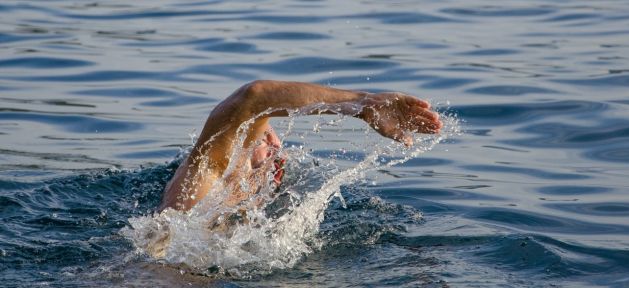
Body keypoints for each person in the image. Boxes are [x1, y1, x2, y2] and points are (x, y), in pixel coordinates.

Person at [158, 80, 441, 212]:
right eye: (260, 132)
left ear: (272, 174)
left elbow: (253, 101)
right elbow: (255, 98)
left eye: (268, 137)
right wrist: (363, 104)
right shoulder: (204, 181)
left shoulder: (212, 192)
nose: (269, 138)